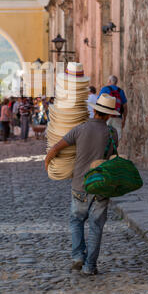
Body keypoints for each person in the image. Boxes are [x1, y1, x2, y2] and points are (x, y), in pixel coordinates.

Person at [45, 94, 119, 276]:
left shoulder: (80, 129)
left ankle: (78, 256)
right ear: (109, 115)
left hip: (80, 185)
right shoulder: (112, 133)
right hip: (101, 186)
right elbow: (111, 157)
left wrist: (48, 164)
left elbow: (55, 149)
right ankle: (89, 267)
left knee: (76, 221)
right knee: (96, 227)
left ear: (94, 110)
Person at [98, 75, 128, 141]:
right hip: (117, 117)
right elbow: (125, 107)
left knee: (104, 138)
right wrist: (124, 119)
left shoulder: (104, 89)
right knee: (116, 139)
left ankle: (106, 150)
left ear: (109, 81)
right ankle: (113, 150)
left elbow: (98, 103)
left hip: (106, 117)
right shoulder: (121, 91)